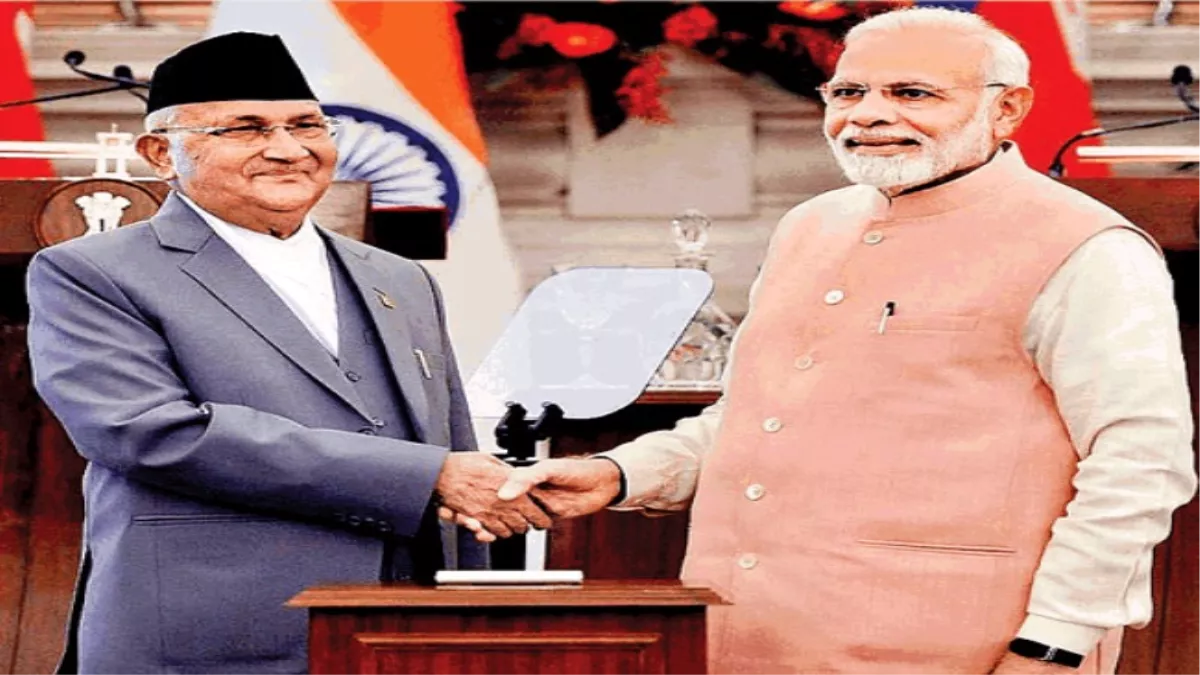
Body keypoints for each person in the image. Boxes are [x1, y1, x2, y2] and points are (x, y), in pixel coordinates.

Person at [451, 8, 1198, 675]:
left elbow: (1140, 462)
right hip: (737, 635)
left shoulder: (1084, 246)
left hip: (961, 646)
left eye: (912, 93)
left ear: (1008, 109)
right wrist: (618, 475)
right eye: (847, 93)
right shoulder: (812, 225)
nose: (867, 115)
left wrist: (1055, 643)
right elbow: (756, 418)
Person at [26, 32, 549, 674]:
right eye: (246, 129)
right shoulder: (93, 272)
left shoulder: (398, 277)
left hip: (401, 632)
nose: (288, 149)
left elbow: (449, 444)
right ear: (161, 153)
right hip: (208, 635)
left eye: (306, 125)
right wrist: (425, 475)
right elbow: (148, 433)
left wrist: (469, 615)